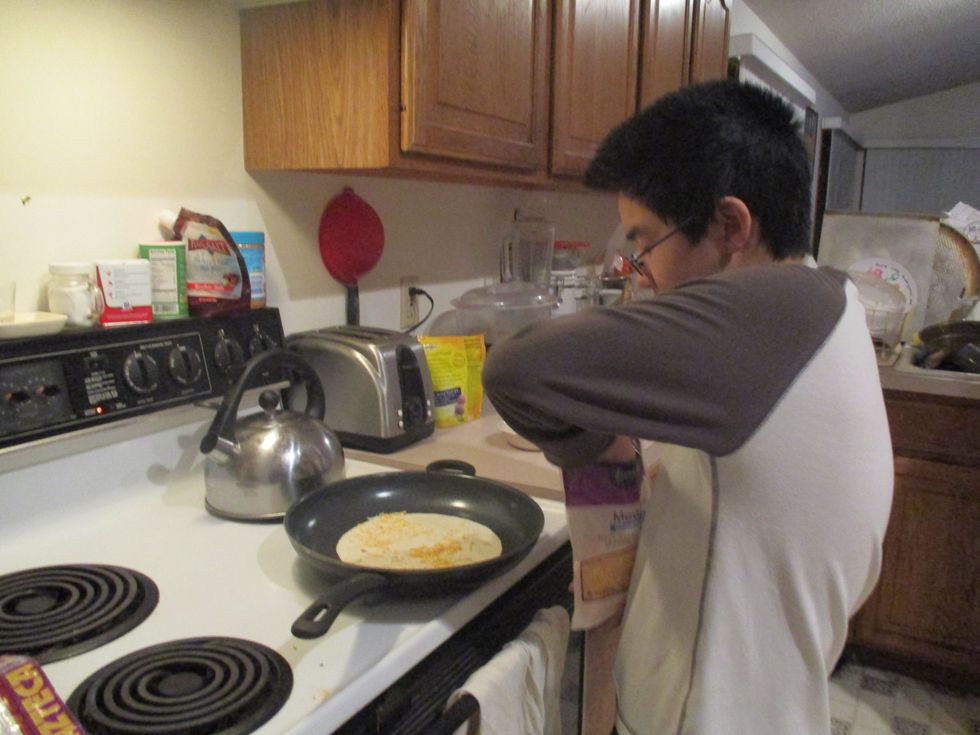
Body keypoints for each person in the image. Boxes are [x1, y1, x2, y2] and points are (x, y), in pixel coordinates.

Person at [482, 80, 894, 735]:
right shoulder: (828, 301)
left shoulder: (768, 316)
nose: (640, 273)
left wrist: (599, 448)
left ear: (731, 226)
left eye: (644, 244)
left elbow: (515, 370)